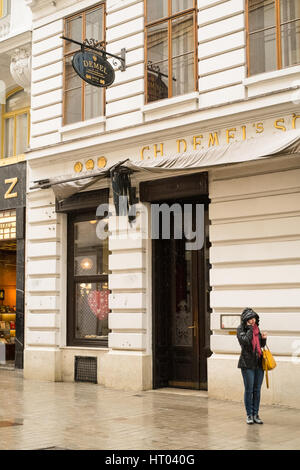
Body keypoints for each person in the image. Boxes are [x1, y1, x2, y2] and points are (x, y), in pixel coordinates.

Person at [237, 308, 267, 425]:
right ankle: (249, 415)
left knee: (257, 390)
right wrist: (249, 328)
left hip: (259, 363)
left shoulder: (257, 329)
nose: (252, 320)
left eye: (253, 318)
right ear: (245, 320)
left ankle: (256, 414)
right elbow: (245, 341)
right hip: (247, 364)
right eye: (250, 319)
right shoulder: (240, 329)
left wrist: (264, 339)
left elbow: (260, 345)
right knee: (249, 390)